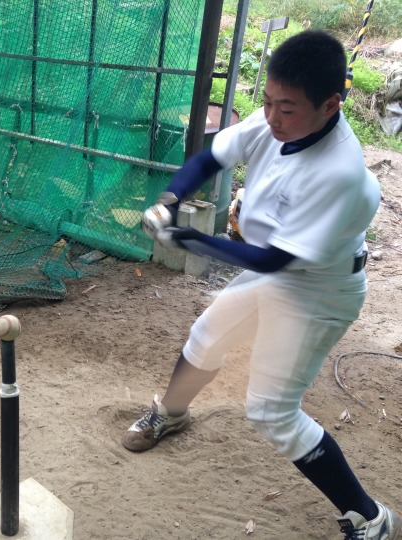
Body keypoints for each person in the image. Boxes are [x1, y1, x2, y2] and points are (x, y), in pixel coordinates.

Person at [125, 30, 400, 540]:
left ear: (331, 104)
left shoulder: (340, 173)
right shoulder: (278, 116)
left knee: (272, 411)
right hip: (281, 269)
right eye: (268, 101)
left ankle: (371, 518)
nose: (271, 117)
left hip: (319, 291)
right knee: (205, 338)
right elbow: (212, 157)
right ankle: (173, 413)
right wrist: (171, 198)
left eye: (286, 108)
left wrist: (188, 238)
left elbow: (274, 260)